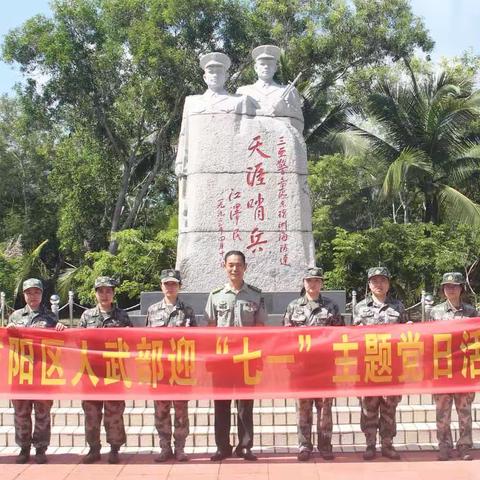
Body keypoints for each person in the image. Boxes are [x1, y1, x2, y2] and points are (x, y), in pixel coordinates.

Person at [204, 250, 267, 461]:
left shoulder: (255, 295)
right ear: (224, 267)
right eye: (230, 265)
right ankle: (222, 447)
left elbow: (260, 328)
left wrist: (258, 358)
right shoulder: (215, 296)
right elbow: (211, 328)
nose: (234, 268)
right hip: (222, 360)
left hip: (246, 359)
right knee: (221, 405)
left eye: (238, 265)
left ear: (245, 267)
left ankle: (245, 446)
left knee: (245, 405)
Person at [284, 267, 344, 462]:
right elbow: (286, 338)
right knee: (303, 408)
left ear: (322, 283)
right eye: (309, 281)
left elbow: (340, 334)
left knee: (325, 408)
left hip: (325, 367)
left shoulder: (331, 307)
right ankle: (304, 446)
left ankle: (325, 445)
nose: (313, 284)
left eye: (317, 281)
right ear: (304, 283)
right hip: (301, 368)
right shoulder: (294, 307)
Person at [7, 278, 65, 464]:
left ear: (42, 294)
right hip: (20, 373)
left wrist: (61, 330)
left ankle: (40, 448)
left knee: (42, 412)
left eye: (36, 292)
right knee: (21, 412)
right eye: (29, 293)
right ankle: (23, 448)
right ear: (23, 295)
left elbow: (61, 343)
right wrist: (8, 332)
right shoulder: (15, 317)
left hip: (42, 373)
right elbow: (7, 346)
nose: (33, 296)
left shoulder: (50, 317)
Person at [353, 266, 406, 461]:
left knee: (389, 406)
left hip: (392, 365)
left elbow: (408, 336)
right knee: (368, 406)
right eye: (375, 281)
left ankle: (387, 444)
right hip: (368, 365)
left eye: (383, 280)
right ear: (369, 284)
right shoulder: (360, 307)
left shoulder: (398, 307)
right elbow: (354, 337)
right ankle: (369, 444)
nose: (379, 284)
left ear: (389, 283)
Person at [78, 276, 132, 464]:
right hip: (91, 374)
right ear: (95, 294)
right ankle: (93, 449)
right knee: (91, 414)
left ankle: (115, 448)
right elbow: (76, 342)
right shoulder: (86, 316)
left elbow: (132, 343)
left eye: (108, 290)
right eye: (100, 291)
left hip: (114, 373)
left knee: (114, 414)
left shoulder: (122, 316)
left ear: (113, 293)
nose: (104, 294)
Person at [146, 269, 196, 463]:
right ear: (161, 286)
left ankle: (180, 448)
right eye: (167, 284)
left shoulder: (188, 311)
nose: (170, 287)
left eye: (174, 284)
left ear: (180, 287)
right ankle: (164, 447)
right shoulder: (152, 310)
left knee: (181, 411)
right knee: (161, 410)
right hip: (159, 369)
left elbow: (196, 340)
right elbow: (147, 339)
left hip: (181, 369)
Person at [428, 272, 477, 461]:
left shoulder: (471, 312)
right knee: (442, 411)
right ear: (443, 290)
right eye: (447, 286)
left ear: (461, 288)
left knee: (464, 411)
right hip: (442, 369)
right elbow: (428, 338)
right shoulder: (435, 312)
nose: (451, 289)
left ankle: (464, 446)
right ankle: (444, 445)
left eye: (455, 286)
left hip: (464, 369)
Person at [236, 44, 304, 132]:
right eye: (262, 64)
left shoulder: (289, 91)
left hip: (280, 140)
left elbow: (299, 123)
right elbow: (236, 122)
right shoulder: (244, 91)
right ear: (255, 68)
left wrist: (283, 110)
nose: (266, 67)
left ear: (275, 68)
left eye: (270, 64)